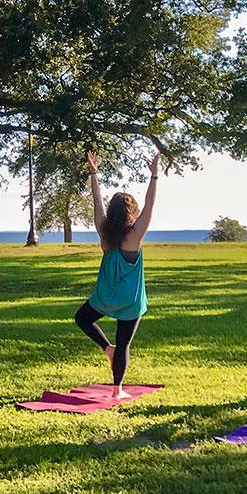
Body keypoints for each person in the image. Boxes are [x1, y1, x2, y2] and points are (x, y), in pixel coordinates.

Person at [74, 150, 160, 399]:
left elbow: (96, 202)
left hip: (106, 297)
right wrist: (154, 176)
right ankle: (117, 390)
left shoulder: (104, 234)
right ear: (131, 213)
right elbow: (151, 205)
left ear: (112, 213)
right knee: (124, 344)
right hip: (131, 302)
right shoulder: (135, 236)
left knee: (82, 318)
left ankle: (105, 348)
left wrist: (93, 172)